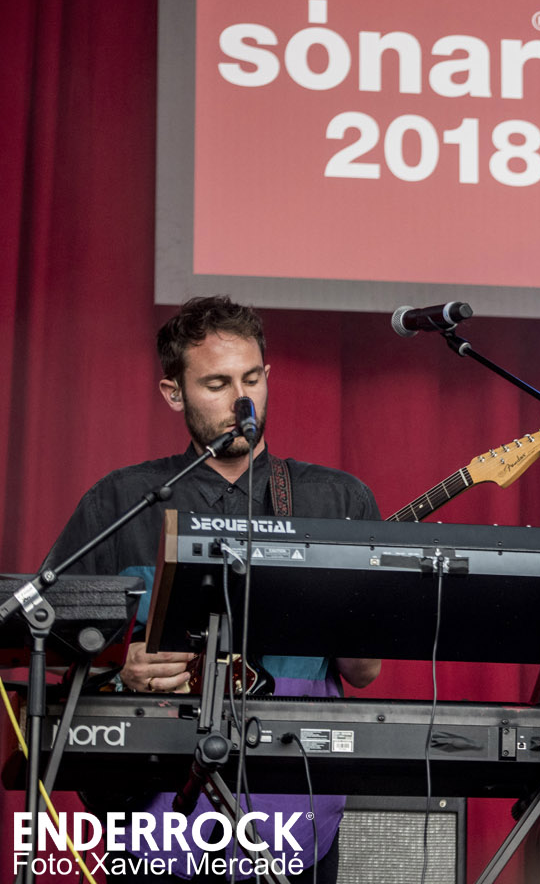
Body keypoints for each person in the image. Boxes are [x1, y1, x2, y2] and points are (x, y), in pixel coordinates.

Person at [42, 296, 380, 883]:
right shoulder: (122, 500)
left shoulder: (338, 499)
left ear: (268, 376)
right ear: (174, 393)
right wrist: (122, 667)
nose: (241, 402)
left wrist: (332, 600)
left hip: (294, 814)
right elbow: (51, 643)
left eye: (252, 379)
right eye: (217, 384)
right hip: (154, 816)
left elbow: (365, 671)